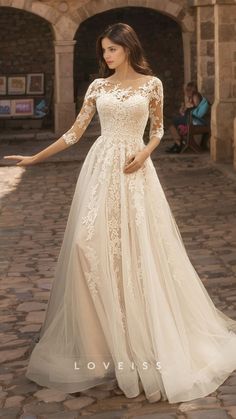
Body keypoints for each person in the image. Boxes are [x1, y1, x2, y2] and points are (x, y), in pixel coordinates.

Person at [4, 23, 236, 405]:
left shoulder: (152, 84)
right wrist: (34, 158)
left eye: (112, 50)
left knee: (138, 252)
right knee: (84, 244)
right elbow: (75, 133)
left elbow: (159, 131)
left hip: (135, 170)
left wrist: (144, 152)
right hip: (100, 169)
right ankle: (99, 348)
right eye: (104, 51)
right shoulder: (98, 87)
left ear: (127, 47)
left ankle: (140, 341)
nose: (107, 56)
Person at [166, 81, 197, 153]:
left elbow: (196, 109)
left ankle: (178, 143)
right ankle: (178, 142)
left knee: (170, 122)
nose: (187, 92)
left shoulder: (195, 96)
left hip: (191, 120)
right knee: (170, 122)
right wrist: (183, 109)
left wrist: (188, 107)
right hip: (187, 118)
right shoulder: (190, 98)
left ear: (193, 90)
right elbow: (183, 113)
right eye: (186, 90)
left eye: (189, 90)